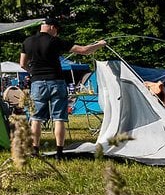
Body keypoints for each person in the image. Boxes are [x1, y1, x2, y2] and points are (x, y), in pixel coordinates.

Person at [19, 19, 106, 158]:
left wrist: (33, 72)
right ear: (52, 27)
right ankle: (59, 152)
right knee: (59, 118)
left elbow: (22, 64)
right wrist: (100, 44)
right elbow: (84, 50)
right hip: (56, 82)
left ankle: (35, 151)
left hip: (37, 83)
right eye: (56, 30)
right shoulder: (55, 41)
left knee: (36, 119)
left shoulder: (27, 42)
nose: (56, 32)